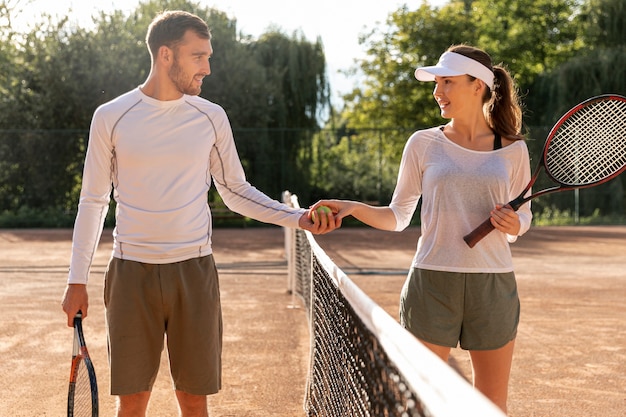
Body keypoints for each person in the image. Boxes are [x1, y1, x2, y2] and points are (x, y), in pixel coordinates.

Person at [61, 10, 335, 417]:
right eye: (199, 56)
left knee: (194, 401)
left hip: (194, 271)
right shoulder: (111, 117)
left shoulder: (211, 117)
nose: (207, 67)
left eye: (208, 56)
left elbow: (236, 192)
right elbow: (93, 202)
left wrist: (297, 218)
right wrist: (76, 281)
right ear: (166, 55)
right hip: (130, 273)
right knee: (132, 402)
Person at [314, 44, 532, 413]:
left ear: (477, 85)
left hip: (493, 285)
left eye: (447, 82)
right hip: (431, 283)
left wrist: (515, 224)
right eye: (436, 83)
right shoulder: (422, 143)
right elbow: (398, 216)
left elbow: (522, 218)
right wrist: (352, 207)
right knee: (422, 397)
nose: (437, 92)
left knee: (491, 403)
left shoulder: (513, 149)